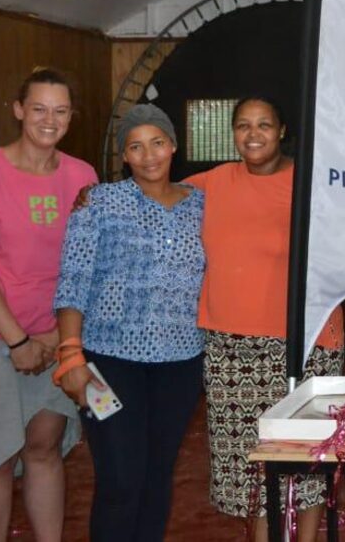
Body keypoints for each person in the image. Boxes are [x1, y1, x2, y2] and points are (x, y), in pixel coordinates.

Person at [186, 97, 343, 542]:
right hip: (232, 350)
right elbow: (157, 191)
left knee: (309, 454)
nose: (253, 134)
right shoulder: (212, 183)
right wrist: (93, 194)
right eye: (243, 125)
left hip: (306, 341)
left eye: (264, 125)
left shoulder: (312, 183)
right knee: (250, 465)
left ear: (282, 130)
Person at [53, 104, 205, 540]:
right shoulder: (98, 203)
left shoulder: (202, 204)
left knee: (157, 477)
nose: (149, 155)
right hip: (107, 363)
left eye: (157, 143)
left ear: (173, 145)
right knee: (120, 478)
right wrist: (70, 353)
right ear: (123, 156)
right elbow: (73, 280)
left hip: (180, 366)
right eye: (135, 147)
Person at [0, 68, 97, 542]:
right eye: (39, 108)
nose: (49, 120)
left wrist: (59, 336)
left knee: (44, 450)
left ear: (71, 117)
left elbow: (88, 262)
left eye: (60, 111)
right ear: (19, 110)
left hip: (55, 336)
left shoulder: (83, 175)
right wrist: (19, 341)